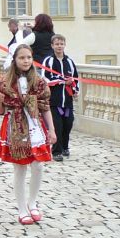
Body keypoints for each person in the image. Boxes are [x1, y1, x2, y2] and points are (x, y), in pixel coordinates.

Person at [0, 44, 56, 225]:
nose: (26, 61)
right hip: (15, 125)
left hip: (35, 125)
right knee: (20, 168)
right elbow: (1, 111)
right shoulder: (5, 82)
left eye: (28, 57)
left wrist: (51, 129)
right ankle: (21, 209)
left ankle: (32, 202)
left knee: (38, 166)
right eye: (22, 58)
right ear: (15, 60)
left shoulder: (39, 81)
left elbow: (45, 107)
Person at [41, 34, 79, 162]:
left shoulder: (69, 61)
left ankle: (65, 147)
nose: (59, 46)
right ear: (52, 45)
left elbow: (75, 77)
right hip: (54, 100)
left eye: (61, 44)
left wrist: (75, 89)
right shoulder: (48, 61)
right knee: (57, 126)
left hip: (67, 100)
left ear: (65, 45)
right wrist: (63, 81)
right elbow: (45, 79)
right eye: (57, 44)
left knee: (68, 124)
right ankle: (56, 151)